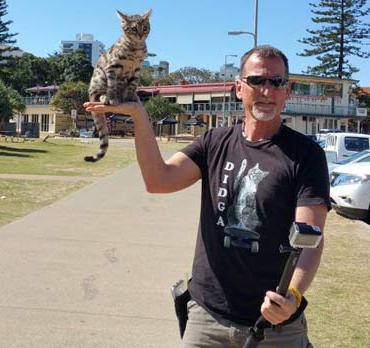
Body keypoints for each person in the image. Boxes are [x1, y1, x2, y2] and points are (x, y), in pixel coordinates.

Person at [84, 45, 330, 348]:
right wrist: (139, 115)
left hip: (275, 323)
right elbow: (158, 180)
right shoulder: (214, 142)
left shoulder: (306, 156)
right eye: (257, 81)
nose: (267, 90)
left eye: (277, 82)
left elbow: (311, 237)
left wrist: (292, 296)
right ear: (239, 88)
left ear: (287, 90)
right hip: (208, 315)